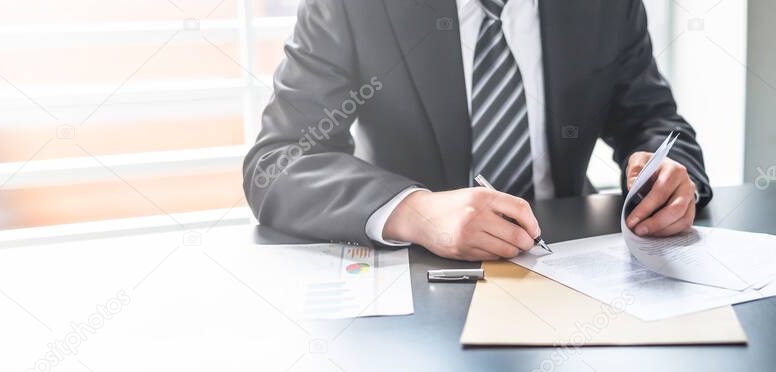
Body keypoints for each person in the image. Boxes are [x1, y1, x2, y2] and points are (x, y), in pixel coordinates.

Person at [242, 0, 711, 261]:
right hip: (419, 277)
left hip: (568, 258)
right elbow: (278, 161)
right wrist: (416, 211)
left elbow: (653, 119)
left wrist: (669, 174)